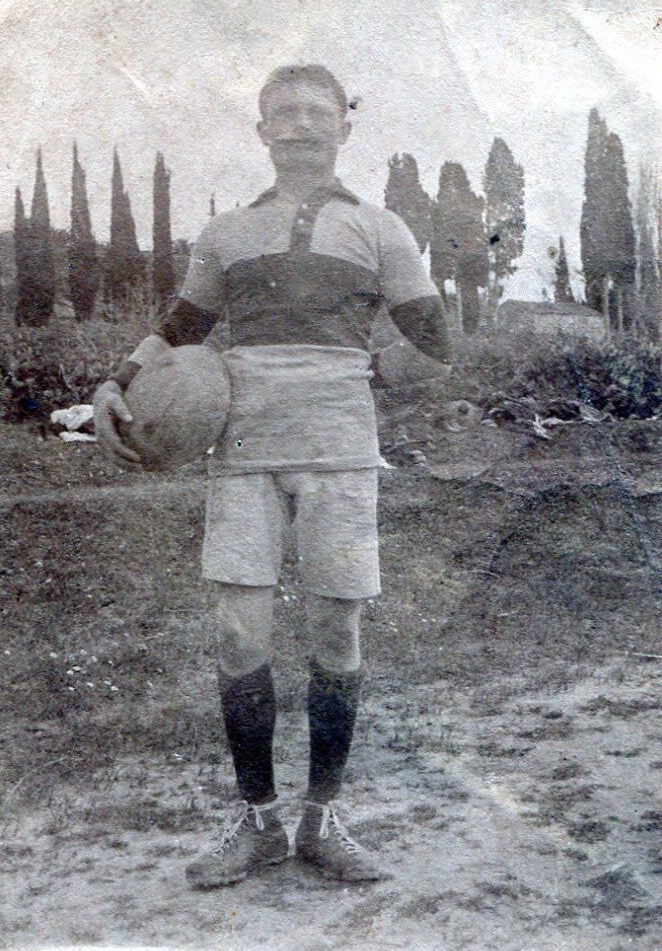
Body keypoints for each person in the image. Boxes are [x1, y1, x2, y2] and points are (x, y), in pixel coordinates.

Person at [93, 64, 451, 889]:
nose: (298, 123)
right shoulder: (225, 233)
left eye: (315, 111)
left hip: (339, 452)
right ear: (261, 132)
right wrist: (117, 381)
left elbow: (435, 345)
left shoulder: (384, 229)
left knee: (336, 634)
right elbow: (180, 326)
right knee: (237, 634)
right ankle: (258, 824)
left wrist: (356, 378)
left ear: (343, 128)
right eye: (281, 112)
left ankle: (323, 819)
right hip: (244, 448)